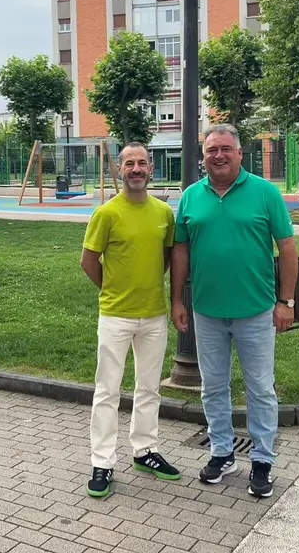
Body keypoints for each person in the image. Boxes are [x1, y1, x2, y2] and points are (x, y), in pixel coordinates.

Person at [171, 124, 299, 498]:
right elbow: (180, 251)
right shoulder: (191, 197)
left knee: (260, 388)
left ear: (240, 154)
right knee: (213, 388)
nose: (219, 155)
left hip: (255, 311)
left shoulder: (265, 193)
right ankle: (222, 452)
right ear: (203, 156)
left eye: (226, 149)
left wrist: (285, 301)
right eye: (212, 150)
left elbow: (287, 248)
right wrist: (177, 300)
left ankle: (262, 460)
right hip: (207, 312)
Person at [80, 142, 180, 498]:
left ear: (151, 169)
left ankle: (145, 451)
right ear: (119, 171)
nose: (136, 169)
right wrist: (113, 289)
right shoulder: (106, 214)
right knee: (107, 391)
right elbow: (88, 261)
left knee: (148, 388)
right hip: (115, 316)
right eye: (129, 164)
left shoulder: (164, 212)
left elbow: (167, 257)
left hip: (154, 315)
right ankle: (102, 462)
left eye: (142, 163)